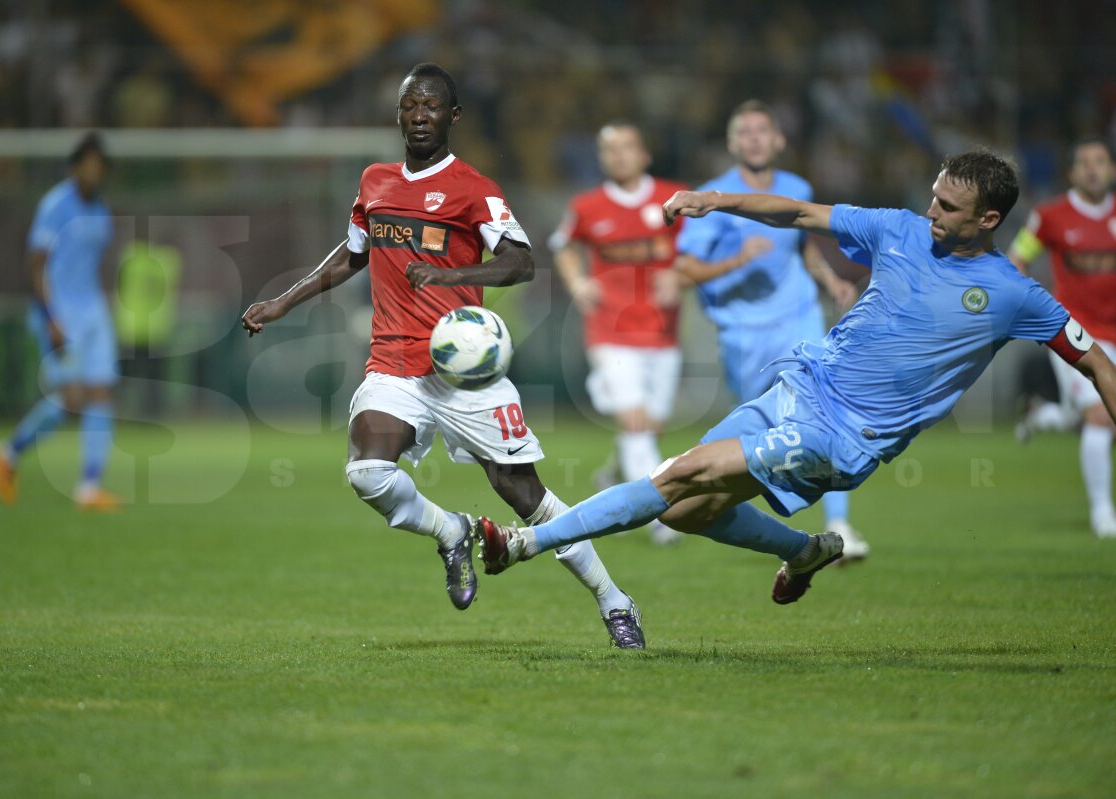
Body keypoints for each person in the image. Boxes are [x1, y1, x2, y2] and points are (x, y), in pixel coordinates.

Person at [473, 150, 1116, 602]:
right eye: (933, 197)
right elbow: (800, 214)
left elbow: (1094, 358)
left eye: (948, 207)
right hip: (803, 383)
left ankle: (526, 544)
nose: (932, 212)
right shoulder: (899, 229)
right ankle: (803, 550)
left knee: (680, 474)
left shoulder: (1015, 295)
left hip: (845, 435)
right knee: (686, 513)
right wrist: (714, 200)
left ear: (989, 220)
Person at [240, 64, 645, 647]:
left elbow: (520, 261)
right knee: (368, 471)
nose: (420, 116)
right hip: (393, 363)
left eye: (431, 107)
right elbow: (352, 255)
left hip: (466, 372)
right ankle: (452, 531)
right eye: (410, 106)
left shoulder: (473, 188)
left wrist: (451, 272)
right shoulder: (375, 180)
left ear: (452, 117)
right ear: (399, 114)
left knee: (525, 497)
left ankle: (614, 601)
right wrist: (283, 301)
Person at [674, 100, 868, 560]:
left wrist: (831, 281)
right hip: (743, 332)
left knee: (828, 414)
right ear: (731, 143)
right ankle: (738, 520)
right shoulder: (712, 196)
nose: (756, 138)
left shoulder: (796, 187)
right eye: (746, 131)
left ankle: (840, 526)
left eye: (764, 130)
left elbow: (802, 246)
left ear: (779, 140)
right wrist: (739, 259)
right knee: (755, 438)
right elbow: (684, 269)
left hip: (798, 317)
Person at [550, 121, 687, 546]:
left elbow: (702, 248)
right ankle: (660, 519)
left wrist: (682, 276)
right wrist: (577, 282)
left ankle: (615, 471)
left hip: (662, 334)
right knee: (634, 423)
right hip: (609, 332)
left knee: (650, 428)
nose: (619, 156)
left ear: (645, 154)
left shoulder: (674, 198)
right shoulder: (588, 206)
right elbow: (562, 244)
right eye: (609, 149)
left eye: (627, 147)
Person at [0, 132, 120, 511]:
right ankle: (9, 452)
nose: (95, 172)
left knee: (102, 394)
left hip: (93, 310)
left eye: (101, 166)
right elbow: (36, 265)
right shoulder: (55, 205)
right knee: (70, 401)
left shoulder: (101, 210)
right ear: (75, 167)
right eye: (89, 164)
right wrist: (50, 317)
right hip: (60, 311)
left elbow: (96, 263)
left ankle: (89, 487)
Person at [1008, 138, 1116, 537]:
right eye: (1083, 162)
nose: (1092, 168)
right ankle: (1104, 515)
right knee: (1101, 415)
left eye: (1100, 161)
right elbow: (1019, 258)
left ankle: (1039, 414)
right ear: (1071, 173)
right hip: (1075, 332)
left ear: (1112, 170)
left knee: (1082, 417)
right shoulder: (1051, 216)